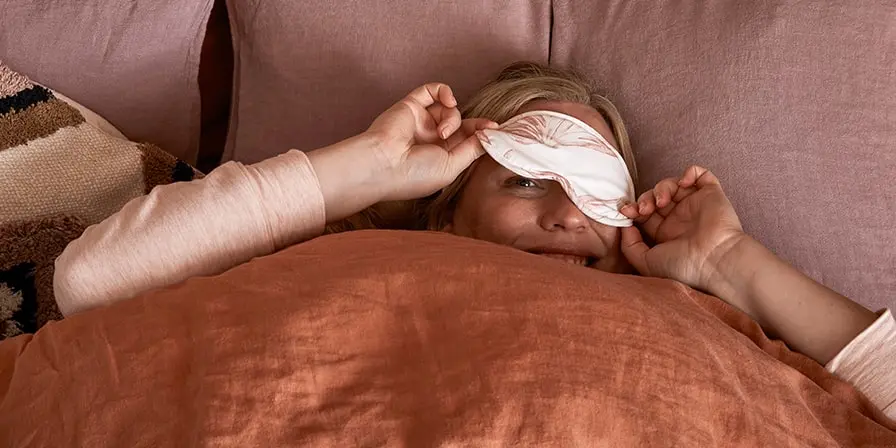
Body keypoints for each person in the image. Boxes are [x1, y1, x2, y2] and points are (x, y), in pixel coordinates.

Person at [54, 62, 894, 418]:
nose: (568, 218)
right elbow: (90, 285)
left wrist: (727, 264)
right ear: (445, 211)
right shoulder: (336, 259)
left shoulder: (698, 315)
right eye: (527, 180)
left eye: (596, 196)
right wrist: (366, 169)